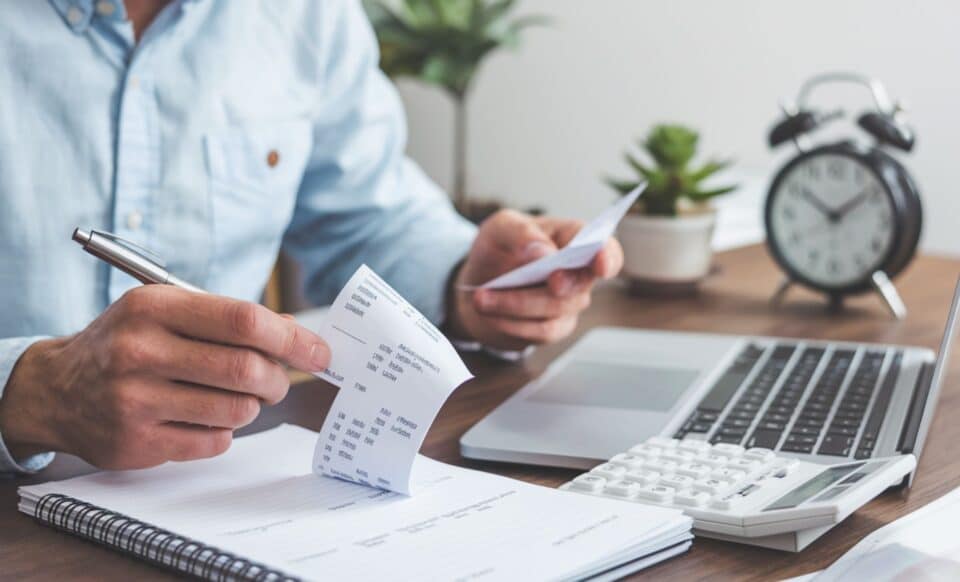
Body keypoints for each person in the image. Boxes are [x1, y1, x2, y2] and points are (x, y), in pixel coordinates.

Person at [0, 0, 622, 475]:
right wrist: (28, 393)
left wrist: (471, 279)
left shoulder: (305, 13)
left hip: (205, 491)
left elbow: (365, 214)